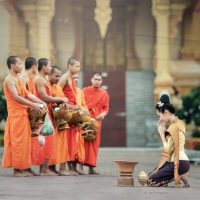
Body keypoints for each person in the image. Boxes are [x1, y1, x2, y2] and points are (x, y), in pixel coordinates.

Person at [2, 56, 42, 177]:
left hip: (23, 114)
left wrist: (40, 102)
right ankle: (17, 170)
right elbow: (16, 97)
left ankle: (26, 167)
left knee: (27, 142)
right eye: (19, 64)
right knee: (18, 142)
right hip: (16, 116)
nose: (21, 66)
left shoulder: (18, 79)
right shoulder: (9, 80)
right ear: (12, 66)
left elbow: (27, 93)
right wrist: (32, 105)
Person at [147, 94, 190, 187]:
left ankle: (175, 176)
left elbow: (167, 150)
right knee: (150, 175)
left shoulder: (173, 127)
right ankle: (178, 175)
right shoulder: (179, 123)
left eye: (159, 116)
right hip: (178, 162)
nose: (159, 119)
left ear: (166, 112)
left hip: (180, 162)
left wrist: (161, 134)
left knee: (149, 179)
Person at [34, 58, 68, 176]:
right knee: (46, 140)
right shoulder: (39, 79)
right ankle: (44, 169)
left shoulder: (44, 80)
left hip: (47, 112)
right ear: (43, 67)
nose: (50, 67)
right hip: (42, 113)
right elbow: (44, 97)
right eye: (49, 66)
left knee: (47, 140)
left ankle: (45, 168)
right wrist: (60, 99)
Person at [58, 57, 81, 175]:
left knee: (69, 141)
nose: (78, 68)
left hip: (72, 113)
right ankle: (62, 168)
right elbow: (57, 93)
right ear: (69, 66)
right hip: (65, 113)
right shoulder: (64, 78)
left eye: (79, 66)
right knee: (64, 141)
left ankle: (67, 167)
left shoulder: (71, 79)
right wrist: (70, 107)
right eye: (76, 66)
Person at [83, 73, 109, 174]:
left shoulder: (104, 94)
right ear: (91, 79)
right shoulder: (84, 91)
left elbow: (105, 108)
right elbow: (80, 103)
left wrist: (103, 114)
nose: (97, 81)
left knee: (94, 144)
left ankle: (91, 167)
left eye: (99, 80)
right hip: (85, 119)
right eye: (95, 79)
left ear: (101, 81)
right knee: (82, 142)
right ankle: (79, 167)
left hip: (96, 122)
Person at [47, 66, 70, 175]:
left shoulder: (58, 88)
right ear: (49, 74)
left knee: (60, 144)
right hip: (49, 118)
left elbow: (63, 101)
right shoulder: (46, 86)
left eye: (59, 76)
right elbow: (46, 99)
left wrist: (64, 105)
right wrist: (59, 102)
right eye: (56, 76)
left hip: (59, 119)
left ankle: (57, 167)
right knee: (50, 143)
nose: (58, 78)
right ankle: (49, 167)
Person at [72, 73, 89, 174]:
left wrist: (86, 111)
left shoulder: (80, 91)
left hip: (80, 119)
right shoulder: (67, 90)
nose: (76, 79)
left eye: (77, 77)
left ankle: (80, 166)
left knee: (80, 143)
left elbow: (83, 104)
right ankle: (72, 167)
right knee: (73, 143)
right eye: (74, 77)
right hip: (72, 120)